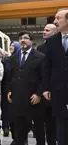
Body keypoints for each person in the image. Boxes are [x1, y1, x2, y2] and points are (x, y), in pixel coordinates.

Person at [8, 31, 46, 145]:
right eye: (20, 38)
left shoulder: (40, 57)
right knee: (19, 128)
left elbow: (43, 78)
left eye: (25, 38)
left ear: (31, 41)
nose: (22, 40)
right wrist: (10, 90)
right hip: (18, 98)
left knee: (38, 128)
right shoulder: (14, 58)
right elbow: (11, 76)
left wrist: (39, 93)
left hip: (34, 98)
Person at [43, 8, 68, 145]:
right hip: (58, 91)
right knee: (61, 126)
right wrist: (46, 88)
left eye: (58, 18)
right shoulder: (52, 41)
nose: (55, 21)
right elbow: (47, 66)